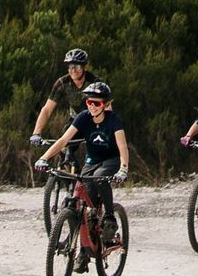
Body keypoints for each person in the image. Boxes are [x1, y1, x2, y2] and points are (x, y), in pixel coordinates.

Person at [37, 80, 129, 261]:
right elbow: (63, 140)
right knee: (85, 207)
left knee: (100, 177)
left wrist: (123, 168)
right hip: (91, 161)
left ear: (106, 104)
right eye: (89, 102)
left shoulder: (113, 121)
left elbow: (122, 146)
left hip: (111, 160)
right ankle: (84, 249)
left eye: (97, 103)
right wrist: (44, 158)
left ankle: (110, 218)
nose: (92, 107)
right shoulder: (83, 117)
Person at [29, 47, 99, 149]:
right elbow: (47, 110)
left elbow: (106, 108)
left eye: (77, 66)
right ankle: (66, 164)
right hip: (75, 122)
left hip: (95, 122)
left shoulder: (95, 83)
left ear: (85, 67)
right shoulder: (62, 83)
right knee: (64, 150)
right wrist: (36, 133)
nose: (73, 70)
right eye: (70, 67)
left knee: (99, 152)